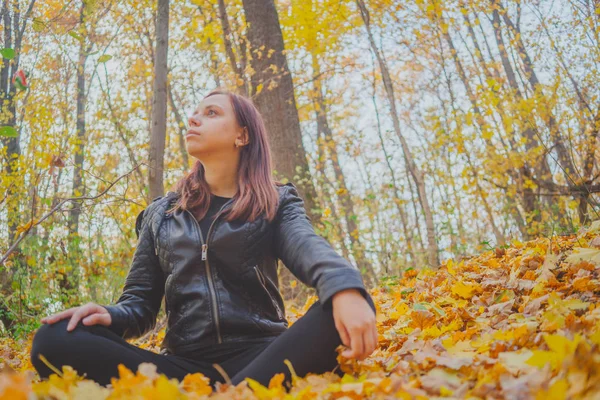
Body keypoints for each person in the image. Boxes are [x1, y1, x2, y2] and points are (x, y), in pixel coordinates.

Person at [30, 89, 377, 391]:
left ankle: (237, 393)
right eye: (194, 113)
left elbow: (307, 246)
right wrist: (107, 314)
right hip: (183, 370)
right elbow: (139, 305)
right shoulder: (161, 214)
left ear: (242, 136)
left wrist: (344, 286)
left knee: (342, 303)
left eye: (211, 113)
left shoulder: (275, 201)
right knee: (55, 337)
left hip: (266, 357)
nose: (194, 119)